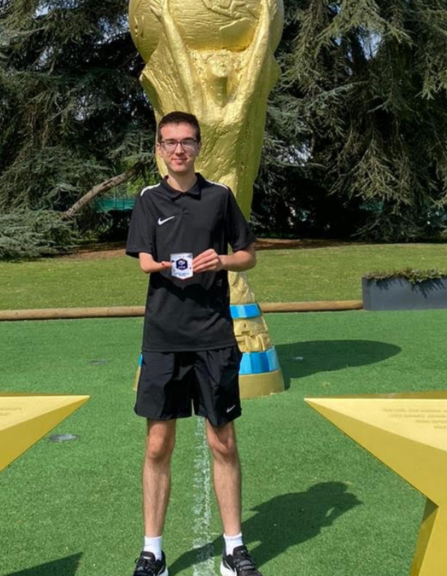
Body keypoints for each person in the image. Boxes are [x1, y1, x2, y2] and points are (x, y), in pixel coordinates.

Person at [125, 110, 263, 576]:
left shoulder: (219, 197)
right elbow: (144, 259)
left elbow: (248, 256)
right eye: (170, 142)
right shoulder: (148, 199)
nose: (179, 149)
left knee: (223, 442)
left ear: (199, 146)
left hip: (213, 337)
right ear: (159, 149)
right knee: (157, 446)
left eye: (187, 141)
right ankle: (152, 551)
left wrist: (220, 261)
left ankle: (234, 548)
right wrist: (155, 265)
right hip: (163, 339)